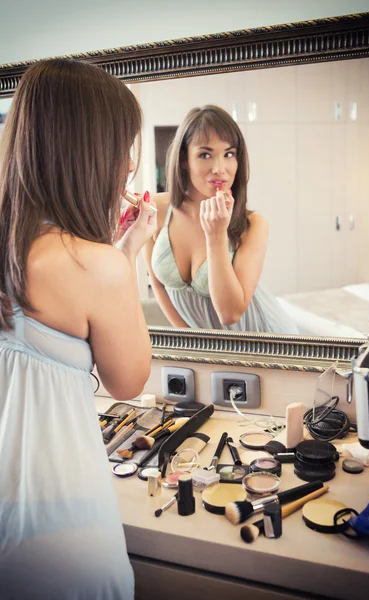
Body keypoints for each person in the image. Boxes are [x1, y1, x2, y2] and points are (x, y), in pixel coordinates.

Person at [0, 58, 156, 599]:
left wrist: (124, 249)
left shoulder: (13, 253)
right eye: (123, 144)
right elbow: (129, 381)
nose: (130, 164)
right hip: (57, 532)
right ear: (88, 150)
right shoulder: (94, 266)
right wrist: (125, 258)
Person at [144, 105, 298, 333]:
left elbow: (230, 313)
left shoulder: (253, 225)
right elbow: (158, 286)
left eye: (229, 154)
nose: (219, 168)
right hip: (212, 352)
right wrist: (195, 344)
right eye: (205, 155)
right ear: (184, 159)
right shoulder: (156, 208)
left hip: (267, 340)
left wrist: (216, 235)